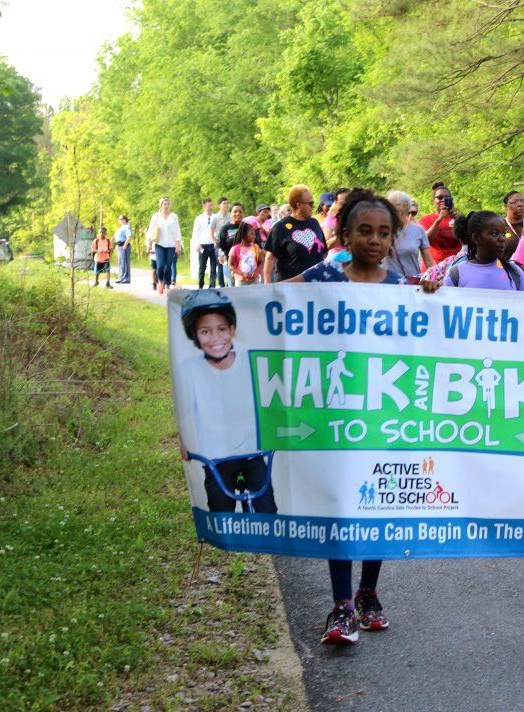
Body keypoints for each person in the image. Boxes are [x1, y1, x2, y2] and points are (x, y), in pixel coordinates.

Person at [284, 189, 433, 645]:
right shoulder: (324, 275)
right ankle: (341, 604)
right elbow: (273, 303)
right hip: (338, 414)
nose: (374, 240)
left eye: (384, 233)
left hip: (386, 416)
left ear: (395, 237)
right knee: (341, 504)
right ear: (345, 234)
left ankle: (369, 592)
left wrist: (430, 298)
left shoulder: (399, 288)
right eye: (364, 231)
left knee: (379, 502)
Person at [176, 290, 278, 514]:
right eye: (205, 331)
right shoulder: (190, 370)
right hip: (216, 457)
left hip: (253, 453)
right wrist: (183, 441)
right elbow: (182, 411)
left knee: (267, 510)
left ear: (232, 330)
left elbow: (273, 398)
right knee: (220, 510)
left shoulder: (251, 361)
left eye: (222, 329)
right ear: (194, 336)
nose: (215, 338)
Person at [442, 211, 524, 291]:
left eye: (504, 234)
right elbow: (444, 302)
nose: (502, 239)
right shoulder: (457, 273)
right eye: (494, 234)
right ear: (476, 238)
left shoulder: (515, 272)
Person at [263, 186, 327, 283]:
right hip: (290, 288)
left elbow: (323, 252)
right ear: (298, 205)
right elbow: (270, 258)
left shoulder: (314, 223)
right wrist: (268, 286)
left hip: (316, 284)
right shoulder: (280, 227)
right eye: (310, 203)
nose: (313, 206)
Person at [384, 190, 433, 279]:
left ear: (404, 206)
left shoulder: (418, 230)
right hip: (387, 284)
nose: (388, 208)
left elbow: (429, 262)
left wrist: (436, 278)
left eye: (392, 205)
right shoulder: (382, 229)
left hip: (411, 285)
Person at [145, 197, 183, 295]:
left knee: (168, 266)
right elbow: (150, 231)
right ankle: (160, 282)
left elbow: (177, 231)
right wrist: (148, 244)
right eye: (164, 204)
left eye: (167, 204)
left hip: (171, 245)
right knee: (161, 266)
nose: (166, 206)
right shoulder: (156, 216)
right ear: (161, 205)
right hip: (159, 245)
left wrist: (178, 244)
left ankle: (167, 285)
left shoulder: (174, 216)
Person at [418, 182, 461, 264]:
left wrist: (459, 220)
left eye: (447, 197)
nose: (443, 200)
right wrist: (439, 220)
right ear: (434, 201)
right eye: (440, 197)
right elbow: (424, 241)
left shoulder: (458, 218)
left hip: (457, 266)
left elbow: (469, 240)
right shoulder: (425, 220)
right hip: (434, 267)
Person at [216, 203, 245, 288]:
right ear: (231, 213)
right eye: (235, 211)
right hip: (229, 262)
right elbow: (219, 245)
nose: (238, 213)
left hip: (244, 262)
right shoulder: (225, 228)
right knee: (232, 286)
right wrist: (221, 256)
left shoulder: (247, 227)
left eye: (240, 211)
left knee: (243, 286)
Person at [192, 199, 219, 289]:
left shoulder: (216, 217)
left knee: (213, 267)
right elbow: (195, 233)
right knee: (202, 267)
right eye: (209, 206)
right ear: (204, 207)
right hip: (203, 245)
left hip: (213, 245)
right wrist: (197, 244)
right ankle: (201, 285)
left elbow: (218, 231)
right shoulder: (199, 218)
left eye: (212, 205)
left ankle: (212, 286)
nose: (211, 208)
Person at [210, 197, 231, 288]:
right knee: (221, 265)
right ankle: (222, 285)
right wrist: (216, 243)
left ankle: (229, 284)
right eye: (224, 203)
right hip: (220, 245)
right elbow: (211, 232)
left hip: (230, 244)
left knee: (230, 263)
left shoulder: (230, 216)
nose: (226, 205)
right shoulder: (215, 217)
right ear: (219, 205)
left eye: (227, 203)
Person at [502, 190, 524, 260]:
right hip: (506, 269)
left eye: (522, 201)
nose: (520, 204)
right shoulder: (500, 226)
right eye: (514, 202)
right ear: (505, 206)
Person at [113, 215, 132, 284]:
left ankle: (126, 278)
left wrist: (125, 245)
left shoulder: (127, 226)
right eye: (119, 219)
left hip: (124, 245)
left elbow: (129, 237)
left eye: (120, 219)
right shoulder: (121, 227)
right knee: (120, 262)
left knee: (125, 262)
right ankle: (121, 276)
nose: (119, 220)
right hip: (119, 246)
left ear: (124, 220)